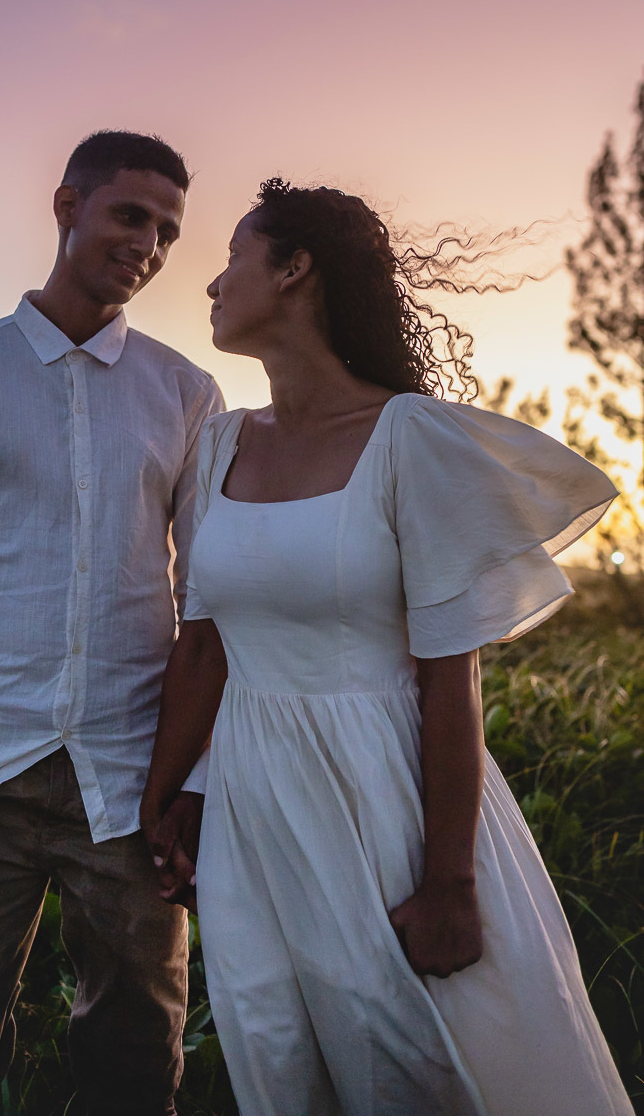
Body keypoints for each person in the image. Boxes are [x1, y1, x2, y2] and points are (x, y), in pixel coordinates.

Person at [140, 178, 634, 1116]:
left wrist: (448, 882)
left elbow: (451, 681)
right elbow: (202, 648)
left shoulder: (410, 440)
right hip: (250, 801)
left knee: (417, 1058)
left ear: (294, 270)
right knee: (274, 1048)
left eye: (232, 256)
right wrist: (167, 796)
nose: (209, 283)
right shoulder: (217, 448)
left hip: (387, 798)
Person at [0, 130, 224, 1116]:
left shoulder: (187, 392)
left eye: (167, 231)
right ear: (66, 204)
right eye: (130, 214)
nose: (149, 245)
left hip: (131, 788)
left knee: (135, 1064)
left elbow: (204, 603)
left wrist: (192, 782)